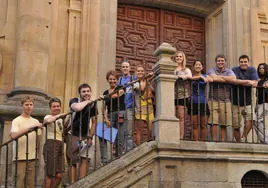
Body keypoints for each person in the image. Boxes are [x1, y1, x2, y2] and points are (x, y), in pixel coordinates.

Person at [66, 83, 97, 183]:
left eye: (88, 91)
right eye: (83, 91)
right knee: (72, 160)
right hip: (74, 134)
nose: (86, 93)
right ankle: (72, 184)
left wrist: (90, 137)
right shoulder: (74, 100)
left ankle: (81, 183)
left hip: (85, 136)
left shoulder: (93, 104)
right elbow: (77, 108)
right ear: (79, 93)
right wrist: (88, 101)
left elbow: (94, 121)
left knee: (84, 158)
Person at [10, 96, 42, 188]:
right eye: (26, 104)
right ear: (22, 106)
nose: (29, 106)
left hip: (32, 157)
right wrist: (29, 128)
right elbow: (13, 135)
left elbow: (38, 140)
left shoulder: (35, 121)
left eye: (31, 105)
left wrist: (37, 155)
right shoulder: (17, 120)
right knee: (18, 184)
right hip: (19, 157)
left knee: (30, 184)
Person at [207, 54, 236, 141]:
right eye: (219, 61)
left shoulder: (229, 71)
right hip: (213, 99)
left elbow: (233, 79)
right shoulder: (211, 70)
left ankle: (223, 141)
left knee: (224, 123)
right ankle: (214, 140)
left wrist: (219, 77)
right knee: (213, 122)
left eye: (222, 61)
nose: (220, 62)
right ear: (216, 62)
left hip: (226, 100)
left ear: (225, 62)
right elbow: (214, 78)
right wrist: (227, 79)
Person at [231, 55, 258, 142]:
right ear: (239, 62)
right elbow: (234, 81)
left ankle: (243, 138)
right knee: (236, 125)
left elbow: (255, 83)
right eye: (241, 62)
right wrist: (248, 81)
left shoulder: (252, 69)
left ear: (248, 62)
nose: (243, 63)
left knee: (251, 120)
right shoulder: (234, 69)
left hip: (248, 101)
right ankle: (238, 143)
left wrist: (240, 82)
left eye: (245, 62)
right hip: (235, 102)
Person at [100, 70, 125, 161]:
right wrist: (106, 119)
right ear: (107, 80)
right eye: (110, 79)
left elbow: (117, 94)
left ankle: (118, 158)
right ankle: (104, 160)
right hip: (109, 115)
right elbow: (103, 108)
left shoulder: (121, 87)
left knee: (120, 137)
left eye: (114, 79)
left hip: (120, 114)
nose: (112, 81)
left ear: (117, 80)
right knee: (102, 136)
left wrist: (106, 96)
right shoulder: (105, 92)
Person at [43, 98, 67, 188]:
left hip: (60, 144)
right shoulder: (48, 116)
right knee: (50, 174)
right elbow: (48, 121)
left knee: (59, 174)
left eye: (58, 106)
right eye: (54, 106)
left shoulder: (61, 119)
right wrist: (59, 116)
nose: (56, 108)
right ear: (50, 108)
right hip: (51, 144)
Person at [188, 60, 212, 141]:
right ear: (194, 67)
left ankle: (203, 142)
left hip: (203, 102)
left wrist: (203, 77)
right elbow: (190, 78)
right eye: (196, 65)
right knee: (194, 125)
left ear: (202, 67)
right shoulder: (191, 76)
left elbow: (210, 80)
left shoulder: (206, 75)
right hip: (193, 102)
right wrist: (201, 77)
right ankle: (196, 142)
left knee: (203, 125)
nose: (198, 66)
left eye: (199, 65)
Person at [117, 60, 137, 150]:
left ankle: (129, 150)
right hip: (121, 108)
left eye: (126, 67)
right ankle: (122, 150)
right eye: (123, 67)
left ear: (129, 68)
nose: (125, 68)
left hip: (130, 107)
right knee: (122, 130)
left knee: (129, 130)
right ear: (121, 69)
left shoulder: (134, 78)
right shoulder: (119, 80)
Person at [133, 65, 154, 145]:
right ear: (136, 73)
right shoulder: (135, 83)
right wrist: (146, 79)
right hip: (140, 109)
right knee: (139, 129)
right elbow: (141, 88)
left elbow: (151, 92)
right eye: (138, 71)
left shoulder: (148, 81)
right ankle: (139, 147)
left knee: (150, 129)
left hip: (149, 108)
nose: (140, 72)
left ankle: (149, 144)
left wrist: (150, 77)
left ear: (144, 72)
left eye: (142, 71)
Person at [173, 51, 192, 139]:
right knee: (172, 116)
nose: (179, 58)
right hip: (171, 94)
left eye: (180, 56)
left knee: (181, 116)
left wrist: (181, 76)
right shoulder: (172, 68)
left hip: (183, 95)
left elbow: (190, 76)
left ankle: (181, 136)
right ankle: (172, 135)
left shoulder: (186, 69)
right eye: (177, 56)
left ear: (183, 58)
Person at [254, 63, 268, 143]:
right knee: (258, 121)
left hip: (266, 102)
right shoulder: (258, 80)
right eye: (259, 68)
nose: (261, 69)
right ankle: (264, 140)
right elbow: (257, 94)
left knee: (257, 120)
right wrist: (256, 105)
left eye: (263, 68)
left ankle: (265, 140)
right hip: (259, 102)